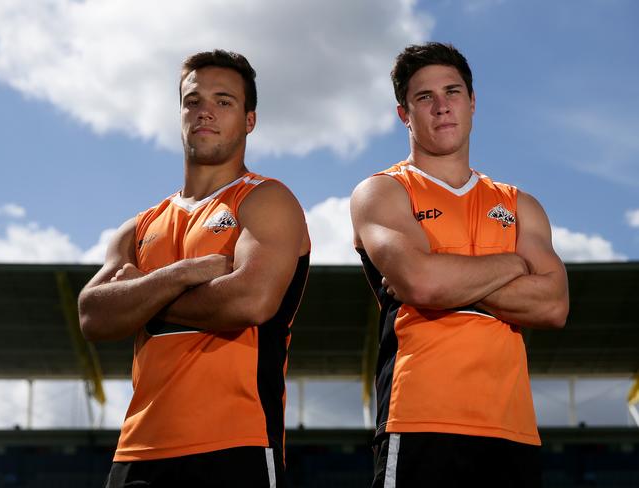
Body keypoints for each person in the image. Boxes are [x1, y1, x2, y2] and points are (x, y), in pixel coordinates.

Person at [78, 50, 310, 487]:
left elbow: (249, 300)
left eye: (224, 101)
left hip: (235, 444)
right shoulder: (139, 226)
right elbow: (92, 314)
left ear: (249, 120)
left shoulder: (266, 201)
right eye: (193, 101)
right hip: (136, 449)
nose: (205, 112)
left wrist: (140, 298)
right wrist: (179, 274)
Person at [350, 43, 569, 487]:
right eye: (424, 97)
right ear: (403, 114)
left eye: (452, 92)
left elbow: (553, 306)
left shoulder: (519, 204)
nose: (442, 106)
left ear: (472, 103)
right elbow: (423, 283)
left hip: (512, 429)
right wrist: (513, 263)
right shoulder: (383, 192)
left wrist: (444, 273)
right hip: (418, 420)